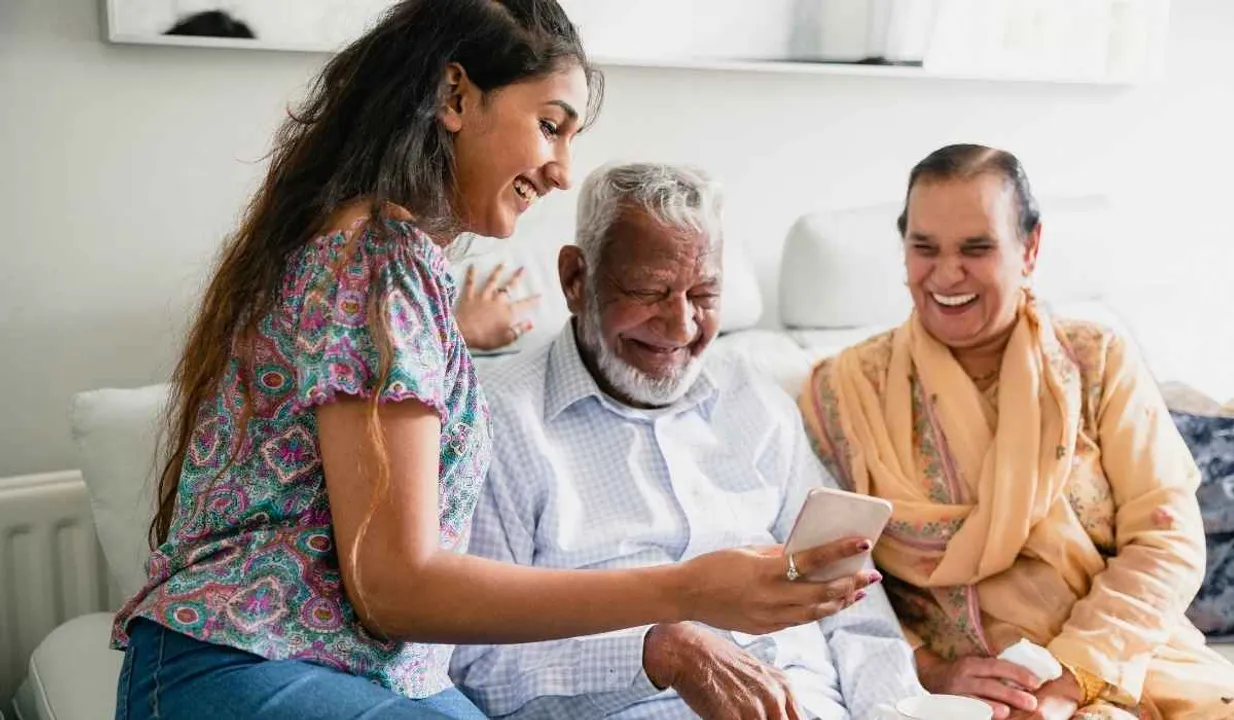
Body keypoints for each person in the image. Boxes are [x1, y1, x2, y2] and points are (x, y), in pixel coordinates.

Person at [112, 2, 864, 718]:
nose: (564, 170)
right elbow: (394, 586)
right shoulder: (377, 261)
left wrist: (452, 333)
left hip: (350, 666)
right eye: (549, 126)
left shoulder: (390, 266)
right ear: (454, 96)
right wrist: (684, 592)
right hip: (247, 660)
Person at [450, 163, 923, 720]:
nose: (680, 327)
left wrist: (898, 709)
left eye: (704, 293)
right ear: (576, 280)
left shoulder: (757, 400)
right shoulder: (496, 419)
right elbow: (475, 664)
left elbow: (853, 607)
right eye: (650, 291)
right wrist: (655, 651)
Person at [798, 144, 1234, 720]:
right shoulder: (841, 391)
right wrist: (929, 668)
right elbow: (823, 575)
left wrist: (1072, 677)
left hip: (1126, 657)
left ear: (1030, 248)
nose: (947, 274)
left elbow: (1166, 540)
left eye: (976, 249)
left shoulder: (1094, 361)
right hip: (966, 693)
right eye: (924, 248)